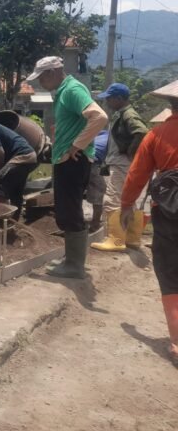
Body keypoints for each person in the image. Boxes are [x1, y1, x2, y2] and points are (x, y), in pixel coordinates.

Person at [26, 56, 107, 279]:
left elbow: (99, 117)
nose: (40, 83)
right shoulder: (64, 91)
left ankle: (74, 265)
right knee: (67, 209)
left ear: (51, 73)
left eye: (41, 78)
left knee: (70, 211)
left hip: (73, 161)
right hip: (68, 160)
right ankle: (71, 259)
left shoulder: (72, 90)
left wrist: (76, 145)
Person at [120, 80, 178, 365]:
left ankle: (177, 342)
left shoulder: (156, 135)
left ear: (170, 105)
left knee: (169, 273)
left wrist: (126, 205)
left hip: (168, 213)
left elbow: (137, 174)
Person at [91, 83, 149, 252]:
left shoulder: (128, 114)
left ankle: (115, 240)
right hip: (124, 163)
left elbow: (142, 131)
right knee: (130, 200)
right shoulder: (125, 114)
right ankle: (132, 239)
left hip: (121, 163)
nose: (107, 102)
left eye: (109, 98)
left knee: (112, 199)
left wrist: (130, 151)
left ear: (119, 98)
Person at [0, 120, 38, 220]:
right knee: (15, 193)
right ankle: (14, 222)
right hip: (29, 157)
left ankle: (2, 218)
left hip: (22, 156)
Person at [85, 130, 109, 233]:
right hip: (92, 161)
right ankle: (95, 225)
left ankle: (75, 222)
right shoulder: (115, 142)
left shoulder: (104, 133)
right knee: (99, 193)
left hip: (82, 156)